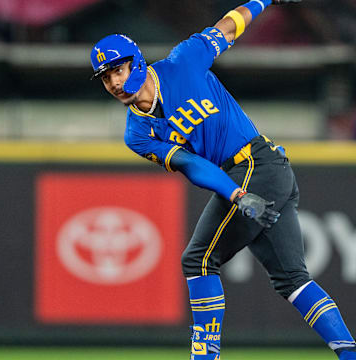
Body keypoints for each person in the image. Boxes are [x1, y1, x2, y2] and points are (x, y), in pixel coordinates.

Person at [90, 0, 356, 359]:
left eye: (117, 70)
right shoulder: (137, 133)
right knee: (293, 280)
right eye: (106, 77)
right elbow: (190, 164)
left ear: (136, 61)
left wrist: (264, 1)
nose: (114, 82)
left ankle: (205, 358)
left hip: (255, 164)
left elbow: (229, 26)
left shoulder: (183, 60)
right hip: (252, 174)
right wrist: (235, 195)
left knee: (197, 261)